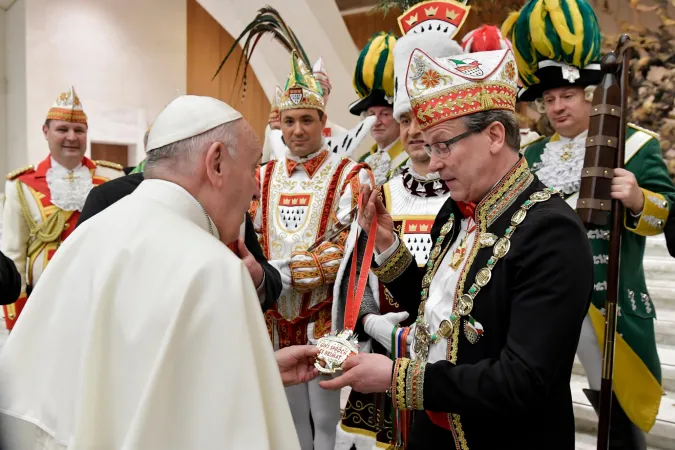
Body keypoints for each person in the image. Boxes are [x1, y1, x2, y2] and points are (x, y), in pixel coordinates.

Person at [0, 95, 319, 450]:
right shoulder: (214, 270)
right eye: (251, 168)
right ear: (215, 162)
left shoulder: (88, 235)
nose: (256, 187)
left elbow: (118, 378)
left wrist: (259, 369)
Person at [320, 46, 595, 449]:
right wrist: (387, 242)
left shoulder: (551, 232)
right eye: (430, 148)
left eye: (444, 145)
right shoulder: (455, 212)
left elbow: (524, 381)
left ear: (495, 136)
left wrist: (399, 377)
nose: (433, 163)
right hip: (435, 433)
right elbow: (441, 314)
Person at [503, 0, 675, 444]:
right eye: (550, 99)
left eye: (567, 96)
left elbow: (667, 214)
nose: (557, 107)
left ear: (589, 94)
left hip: (606, 298)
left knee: (616, 408)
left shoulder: (635, 144)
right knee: (540, 394)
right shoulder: (530, 156)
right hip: (541, 295)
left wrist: (638, 199)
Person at [335, 1, 465, 447]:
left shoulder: (472, 196)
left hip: (452, 374)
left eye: (423, 119)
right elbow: (355, 283)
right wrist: (370, 328)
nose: (413, 131)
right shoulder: (383, 192)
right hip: (382, 362)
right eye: (405, 119)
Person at [252, 51, 373, 450]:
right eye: (289, 121)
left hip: (326, 316)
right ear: (280, 126)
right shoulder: (260, 177)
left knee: (324, 417)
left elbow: (353, 239)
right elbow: (247, 233)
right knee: (287, 417)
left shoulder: (351, 174)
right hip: (274, 315)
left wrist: (296, 271)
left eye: (307, 120)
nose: (298, 130)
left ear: (324, 122)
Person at [75, 157, 283, 312]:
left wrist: (258, 278)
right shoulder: (109, 197)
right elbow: (81, 285)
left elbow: (269, 278)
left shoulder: (228, 199)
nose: (255, 190)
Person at [1, 86, 124, 330]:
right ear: (45, 132)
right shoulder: (21, 184)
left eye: (79, 130)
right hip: (44, 300)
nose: (71, 137)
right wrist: (19, 317)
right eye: (62, 129)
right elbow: (14, 254)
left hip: (99, 295)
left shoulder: (113, 176)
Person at [349, 32, 405, 186]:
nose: (376, 121)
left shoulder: (413, 159)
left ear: (401, 118)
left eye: (385, 114)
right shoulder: (361, 162)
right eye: (372, 114)